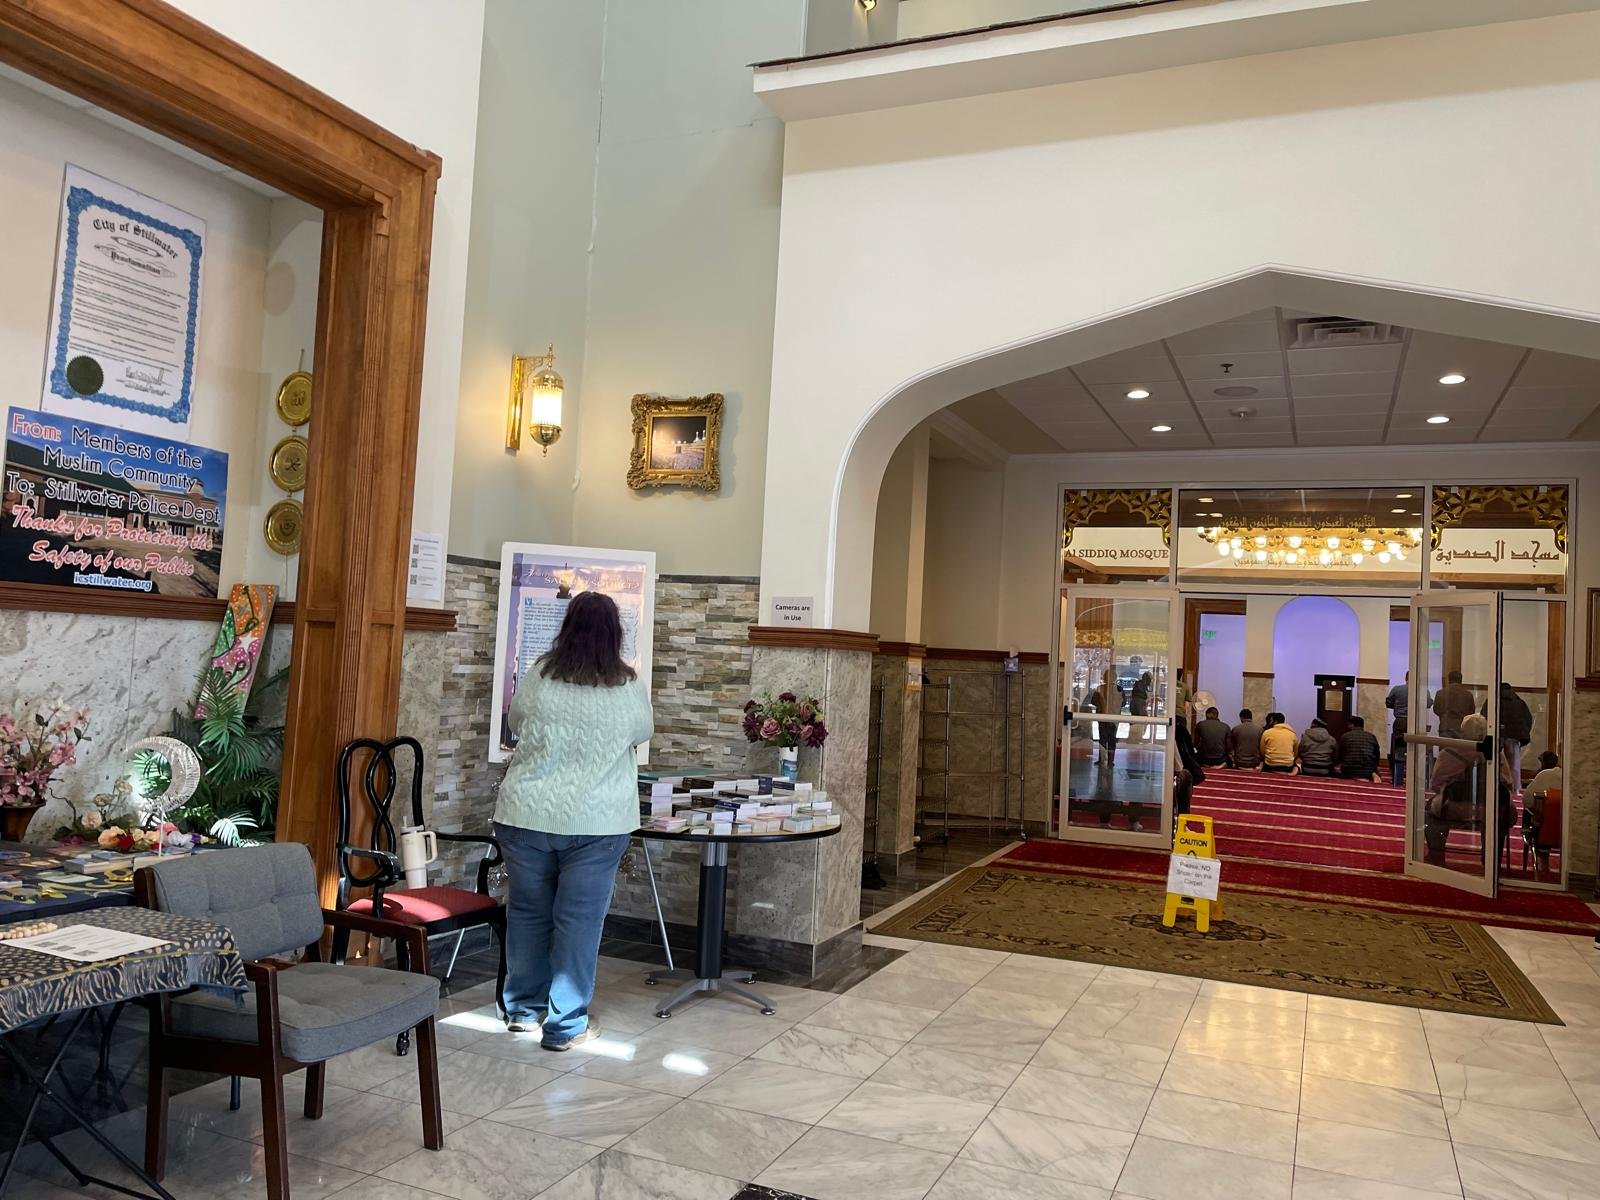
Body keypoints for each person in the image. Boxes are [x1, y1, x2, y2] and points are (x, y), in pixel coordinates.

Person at [492, 591, 655, 1050]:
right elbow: (643, 732)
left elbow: (517, 720)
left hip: (525, 814)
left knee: (526, 912)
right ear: (615, 634)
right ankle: (565, 1026)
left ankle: (523, 1011)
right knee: (579, 921)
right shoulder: (626, 686)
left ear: (567, 625)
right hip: (597, 822)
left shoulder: (541, 674)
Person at [1422, 712, 1511, 867]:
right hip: (1492, 810)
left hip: (1452, 809)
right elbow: (1507, 783)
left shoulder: (1449, 752)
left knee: (1430, 811)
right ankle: (1491, 860)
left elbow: (1436, 784)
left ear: (1463, 731)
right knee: (1500, 815)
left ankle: (1437, 855)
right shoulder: (1496, 754)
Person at [1385, 672, 1431, 787]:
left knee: (1398, 749)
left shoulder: (1397, 689)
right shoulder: (1424, 691)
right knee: (1418, 750)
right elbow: (1429, 704)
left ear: (1405, 678)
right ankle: (1417, 780)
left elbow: (1388, 703)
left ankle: (1397, 778)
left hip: (1400, 721)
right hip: (1417, 722)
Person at [1486, 682, 1533, 790]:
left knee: (1496, 765)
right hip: (1514, 738)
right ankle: (1515, 790)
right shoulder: (1519, 702)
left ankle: (1495, 789)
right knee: (1514, 767)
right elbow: (1528, 719)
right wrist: (1521, 736)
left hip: (1498, 737)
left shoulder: (1493, 701)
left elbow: (1485, 717)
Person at [1523, 750, 1562, 872]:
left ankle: (1542, 860)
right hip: (1569, 833)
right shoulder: (1578, 780)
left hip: (1543, 831)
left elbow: (1527, 801)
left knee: (1535, 813)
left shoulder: (1545, 775)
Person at [1090, 667, 1125, 765]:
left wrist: (1102, 705)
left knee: (1102, 738)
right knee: (1112, 739)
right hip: (1115, 718)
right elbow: (1124, 703)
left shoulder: (1099, 688)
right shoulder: (1120, 689)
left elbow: (1093, 701)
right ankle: (1110, 761)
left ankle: (1102, 759)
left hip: (1102, 717)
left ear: (1104, 677)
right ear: (1115, 678)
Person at [1337, 716, 1382, 782]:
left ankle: (1355, 777)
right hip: (1367, 770)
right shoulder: (1371, 736)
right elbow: (1377, 753)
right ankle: (1371, 775)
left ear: (1352, 725)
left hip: (1348, 770)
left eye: (1348, 724)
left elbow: (1340, 754)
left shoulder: (1345, 736)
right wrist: (1375, 767)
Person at [1433, 671, 1475, 738]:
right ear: (1461, 680)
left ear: (1449, 680)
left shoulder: (1440, 693)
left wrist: (1444, 716)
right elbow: (1471, 712)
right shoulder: (1468, 694)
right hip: (1461, 727)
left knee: (1444, 747)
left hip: (1445, 727)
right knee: (1459, 747)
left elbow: (1436, 710)